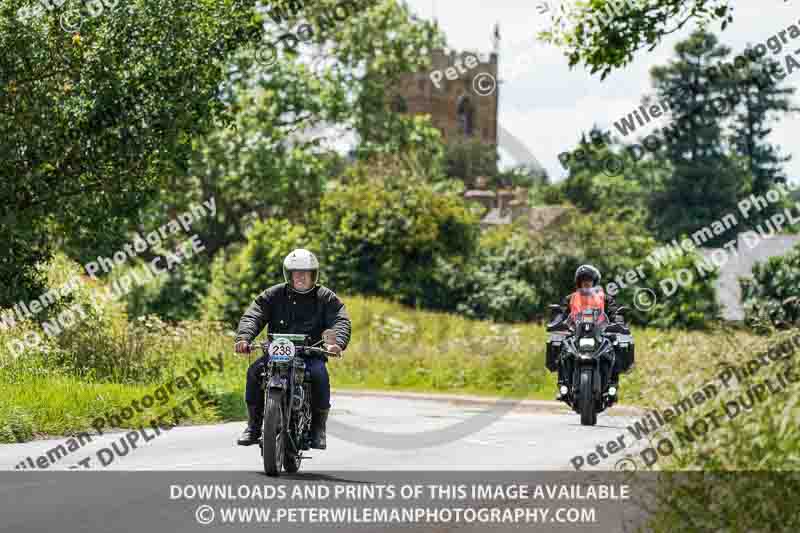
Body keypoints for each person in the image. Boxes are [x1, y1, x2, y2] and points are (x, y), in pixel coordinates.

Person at [233, 249, 352, 449]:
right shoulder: (274, 294)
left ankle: (318, 429)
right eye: (296, 272)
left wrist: (336, 343)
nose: (301, 277)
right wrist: (244, 338)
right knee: (254, 372)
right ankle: (253, 427)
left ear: (315, 274)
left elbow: (339, 320)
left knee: (320, 375)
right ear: (288, 274)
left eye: (306, 272)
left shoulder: (325, 297)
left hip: (310, 354)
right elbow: (254, 314)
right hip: (277, 354)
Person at [555, 264, 622, 398]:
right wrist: (556, 322)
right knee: (559, 346)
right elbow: (561, 315)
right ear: (578, 282)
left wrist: (618, 322)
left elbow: (614, 313)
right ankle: (563, 386)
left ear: (594, 282)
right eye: (583, 279)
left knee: (617, 345)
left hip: (600, 334)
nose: (586, 282)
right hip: (575, 334)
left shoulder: (605, 298)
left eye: (589, 280)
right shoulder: (571, 298)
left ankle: (612, 386)